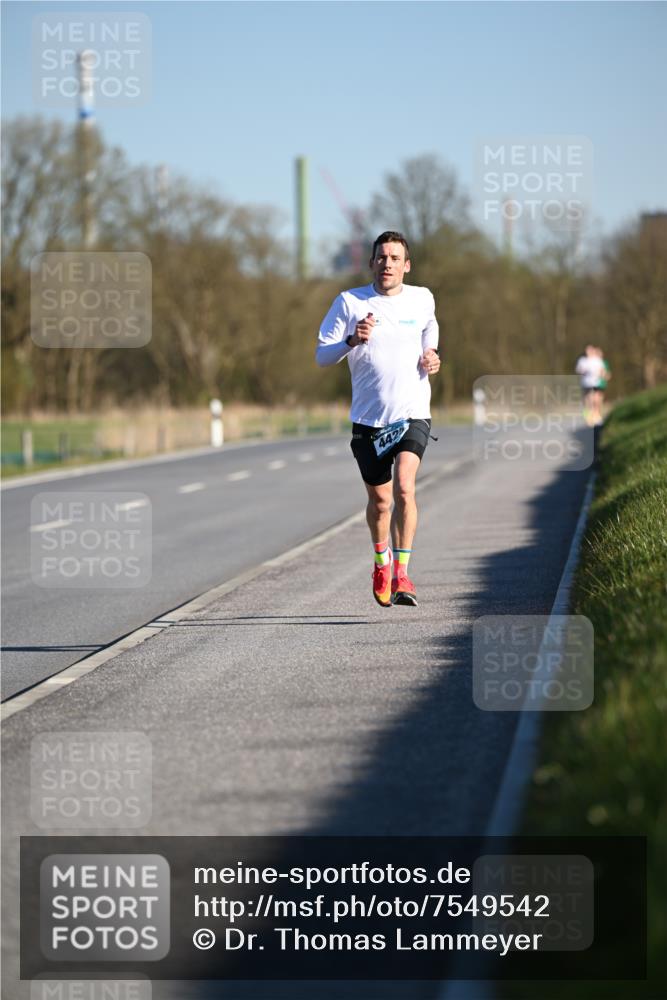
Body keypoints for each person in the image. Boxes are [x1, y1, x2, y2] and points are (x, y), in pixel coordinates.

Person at [316, 231, 440, 607]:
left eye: (394, 258)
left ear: (407, 265)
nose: (387, 264)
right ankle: (380, 561)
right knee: (382, 502)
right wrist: (352, 341)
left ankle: (402, 572)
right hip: (369, 422)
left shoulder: (422, 297)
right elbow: (322, 356)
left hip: (412, 414)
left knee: (405, 487)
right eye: (381, 257)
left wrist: (431, 352)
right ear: (371, 263)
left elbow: (429, 325)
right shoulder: (350, 302)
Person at [575, 344, 606, 426]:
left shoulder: (597, 360)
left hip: (596, 382)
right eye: (587, 350)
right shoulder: (582, 360)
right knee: (588, 400)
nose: (589, 351)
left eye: (590, 350)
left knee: (596, 399)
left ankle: (596, 416)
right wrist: (583, 371)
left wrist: (602, 375)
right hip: (586, 383)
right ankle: (589, 416)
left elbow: (602, 370)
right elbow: (578, 370)